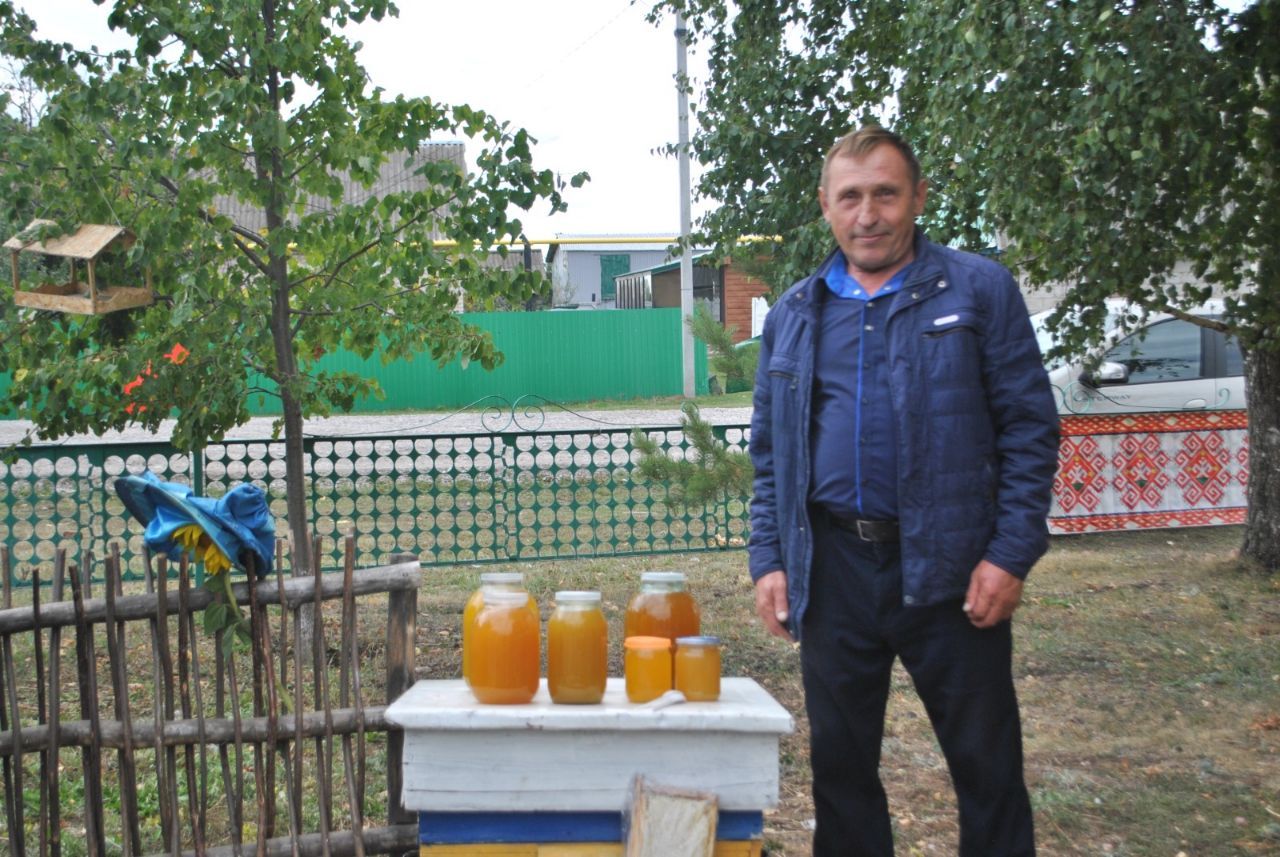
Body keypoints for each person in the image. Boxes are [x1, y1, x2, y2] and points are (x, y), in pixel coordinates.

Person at [748, 125, 1059, 856]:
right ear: (825, 206)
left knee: (987, 765)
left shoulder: (978, 290)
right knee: (842, 769)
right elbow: (771, 452)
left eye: (885, 194)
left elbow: (1028, 429)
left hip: (954, 567)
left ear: (917, 198)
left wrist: (1011, 555)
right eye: (850, 197)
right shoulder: (794, 312)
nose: (869, 214)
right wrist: (769, 557)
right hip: (834, 570)